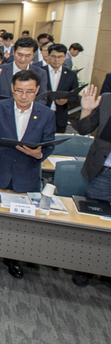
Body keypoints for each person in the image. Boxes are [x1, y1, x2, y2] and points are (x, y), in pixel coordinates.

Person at [0, 70, 56, 279]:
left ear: (37, 91)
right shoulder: (0, 107)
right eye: (19, 91)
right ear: (12, 89)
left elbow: (49, 143)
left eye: (29, 91)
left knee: (20, 221)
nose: (23, 96)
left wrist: (40, 153)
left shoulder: (46, 114)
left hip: (26, 173)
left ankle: (13, 258)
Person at [71, 84, 111, 286]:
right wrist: (86, 109)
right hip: (103, 171)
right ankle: (84, 268)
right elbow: (84, 129)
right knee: (95, 223)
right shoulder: (107, 100)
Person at [0, 37, 48, 104]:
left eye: (27, 56)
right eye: (20, 54)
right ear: (13, 52)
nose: (23, 59)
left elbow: (42, 99)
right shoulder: (0, 70)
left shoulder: (40, 73)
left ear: (33, 55)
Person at [44, 43, 79, 133]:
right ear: (48, 56)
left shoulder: (71, 75)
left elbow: (75, 96)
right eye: (53, 56)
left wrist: (66, 101)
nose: (56, 60)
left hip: (60, 116)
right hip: (41, 112)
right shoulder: (39, 72)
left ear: (64, 57)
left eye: (60, 57)